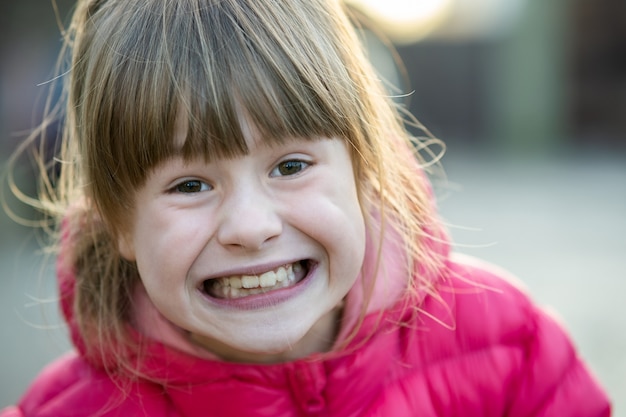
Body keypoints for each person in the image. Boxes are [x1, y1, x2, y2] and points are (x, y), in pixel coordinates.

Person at [0, 0, 611, 416]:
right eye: (189, 185)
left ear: (365, 170)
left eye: (290, 167)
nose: (252, 227)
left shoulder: (512, 349)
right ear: (117, 220)